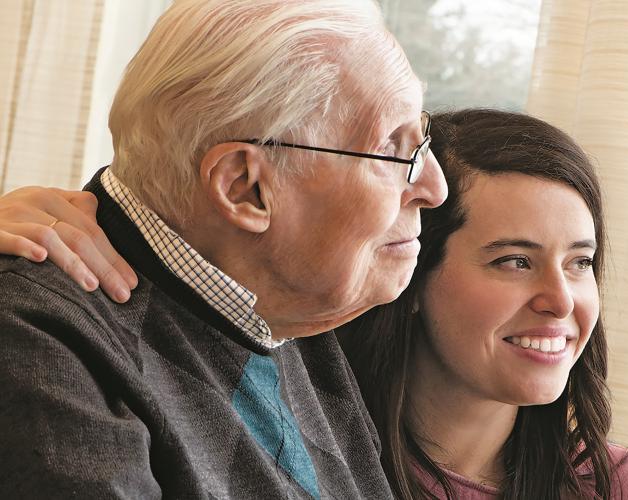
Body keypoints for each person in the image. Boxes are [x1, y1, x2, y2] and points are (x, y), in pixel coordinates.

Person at [0, 0, 448, 498]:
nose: (435, 185)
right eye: (391, 149)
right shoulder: (35, 339)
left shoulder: (293, 303)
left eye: (421, 139)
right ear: (244, 188)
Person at [339, 109, 628, 499]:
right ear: (411, 276)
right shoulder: (303, 464)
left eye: (579, 263)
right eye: (516, 261)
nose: (561, 301)